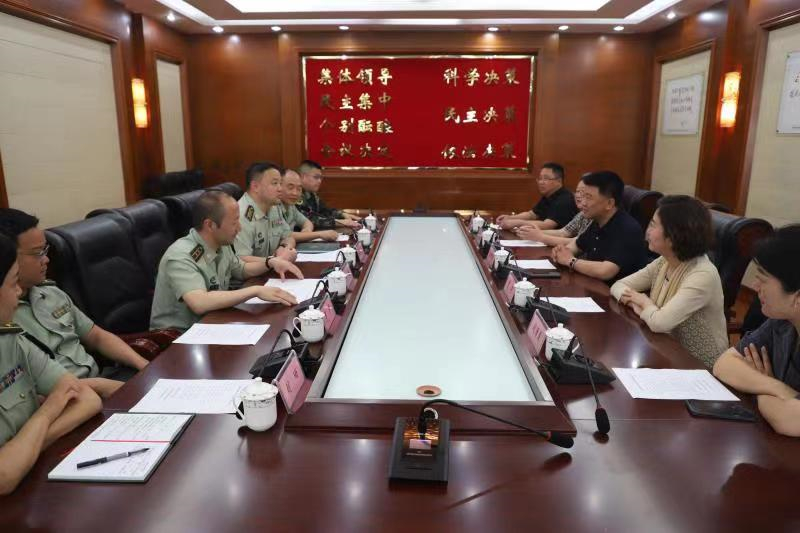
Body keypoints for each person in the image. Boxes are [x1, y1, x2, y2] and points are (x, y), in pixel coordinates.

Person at [0, 208, 148, 398]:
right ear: (8, 259)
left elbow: (97, 336)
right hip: (70, 400)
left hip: (101, 381)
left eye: (45, 250)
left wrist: (143, 365)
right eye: (37, 253)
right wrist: (100, 387)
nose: (46, 259)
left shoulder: (51, 293)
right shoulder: (5, 319)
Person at [0, 233, 102, 495]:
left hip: (32, 478)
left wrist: (26, 449)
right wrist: (48, 411)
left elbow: (88, 399)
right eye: (12, 284)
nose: (18, 293)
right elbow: (3, 476)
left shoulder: (11, 341)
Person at [150, 190, 301, 332]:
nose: (239, 228)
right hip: (178, 336)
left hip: (213, 321)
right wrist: (255, 291)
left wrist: (270, 262)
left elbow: (241, 269)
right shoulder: (180, 256)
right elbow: (199, 302)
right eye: (234, 222)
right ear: (210, 225)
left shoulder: (220, 242)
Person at [610, 196, 727, 367]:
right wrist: (638, 304)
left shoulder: (702, 274)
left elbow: (660, 323)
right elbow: (618, 286)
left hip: (700, 366)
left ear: (674, 235)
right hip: (665, 351)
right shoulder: (665, 261)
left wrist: (644, 302)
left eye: (653, 225)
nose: (647, 231)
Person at [713, 225, 800, 437]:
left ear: (797, 297)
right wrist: (775, 387)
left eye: (763, 279)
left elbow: (789, 421)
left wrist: (759, 386)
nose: (754, 285)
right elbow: (724, 364)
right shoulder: (782, 322)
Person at [551, 171, 647, 284]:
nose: (583, 203)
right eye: (583, 196)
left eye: (589, 197)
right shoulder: (597, 220)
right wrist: (562, 251)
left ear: (609, 203)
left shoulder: (627, 228)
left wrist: (571, 261)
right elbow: (576, 245)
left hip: (615, 292)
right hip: (593, 285)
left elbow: (606, 271)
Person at [235, 162, 297, 263]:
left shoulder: (273, 206)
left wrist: (284, 247)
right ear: (255, 186)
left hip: (272, 267)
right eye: (275, 183)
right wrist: (274, 262)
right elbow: (241, 259)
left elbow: (288, 236)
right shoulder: (241, 215)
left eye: (280, 183)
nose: (280, 189)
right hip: (255, 271)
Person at [496, 163, 577, 231]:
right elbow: (532, 214)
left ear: (559, 181)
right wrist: (510, 218)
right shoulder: (548, 195)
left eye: (546, 178)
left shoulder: (565, 199)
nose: (541, 182)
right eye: (540, 178)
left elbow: (547, 225)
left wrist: (517, 223)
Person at [514, 180, 591, 246]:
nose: (578, 195)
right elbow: (564, 232)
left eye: (584, 193)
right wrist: (531, 232)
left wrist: (540, 237)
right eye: (577, 191)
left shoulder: (565, 199)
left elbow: (578, 242)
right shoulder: (581, 214)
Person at [297, 160, 361, 230]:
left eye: (320, 178)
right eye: (316, 177)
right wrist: (339, 222)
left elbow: (325, 211)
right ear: (303, 177)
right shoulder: (295, 195)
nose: (319, 181)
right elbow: (308, 219)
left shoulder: (311, 193)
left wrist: (342, 214)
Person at [279, 168, 339, 243]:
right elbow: (286, 235)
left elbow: (307, 222)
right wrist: (319, 234)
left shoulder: (291, 206)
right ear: (279, 187)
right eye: (290, 188)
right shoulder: (274, 207)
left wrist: (306, 233)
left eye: (299, 189)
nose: (295, 193)